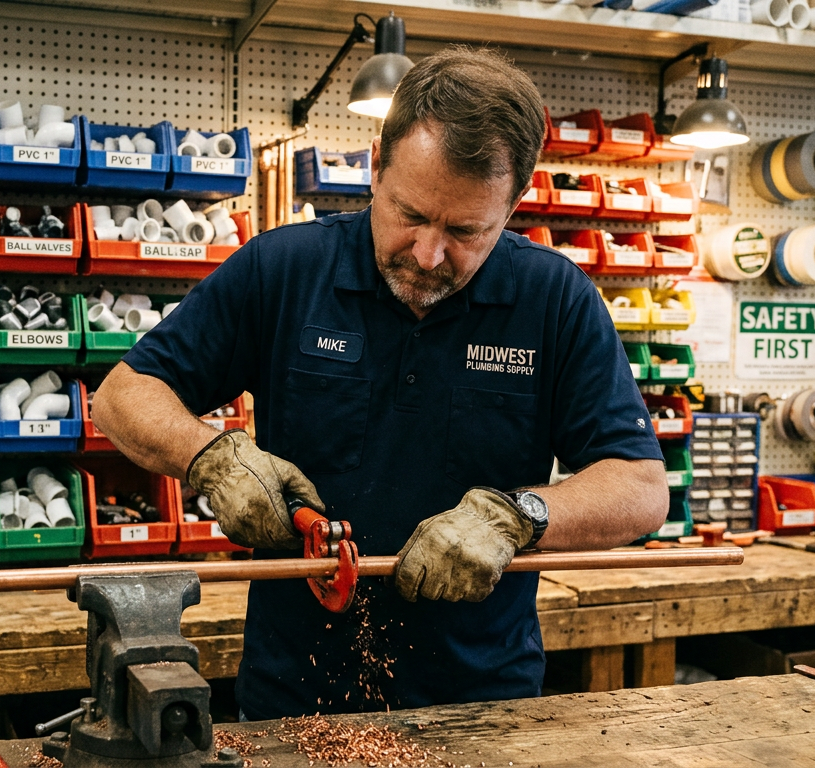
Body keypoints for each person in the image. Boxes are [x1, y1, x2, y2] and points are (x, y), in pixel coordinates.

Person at [92, 46, 668, 720]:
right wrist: (208, 456)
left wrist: (520, 517)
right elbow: (122, 396)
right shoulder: (285, 271)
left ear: (511, 206)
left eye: (464, 231)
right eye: (412, 215)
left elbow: (639, 486)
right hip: (294, 699)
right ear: (374, 167)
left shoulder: (554, 298)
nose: (428, 254)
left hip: (482, 705)